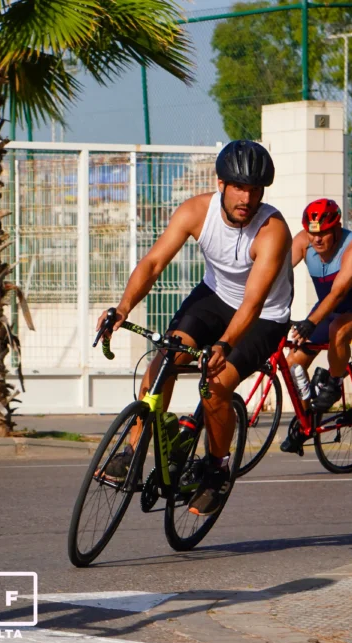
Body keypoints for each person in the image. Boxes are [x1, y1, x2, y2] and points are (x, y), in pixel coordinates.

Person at [97, 140, 292, 516]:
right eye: (238, 187)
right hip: (214, 297)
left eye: (254, 190)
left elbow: (252, 302)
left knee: (215, 386)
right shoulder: (195, 212)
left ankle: (217, 469)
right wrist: (122, 308)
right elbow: (153, 264)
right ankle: (134, 447)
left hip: (264, 315)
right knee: (168, 355)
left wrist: (224, 344)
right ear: (220, 183)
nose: (246, 198)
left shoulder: (273, 231)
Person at [280, 198, 352, 453]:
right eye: (312, 232)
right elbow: (275, 269)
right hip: (329, 308)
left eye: (324, 233)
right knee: (293, 361)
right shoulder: (303, 242)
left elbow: (338, 293)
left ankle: (335, 383)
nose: (317, 239)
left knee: (337, 329)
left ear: (337, 228)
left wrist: (310, 322)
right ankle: (308, 420)